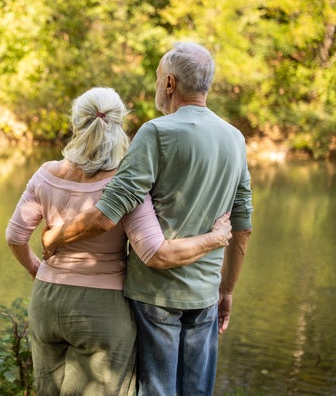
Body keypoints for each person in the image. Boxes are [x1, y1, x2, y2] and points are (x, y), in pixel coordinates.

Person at [42, 43, 253, 395]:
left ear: (169, 83)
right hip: (205, 295)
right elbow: (243, 229)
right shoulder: (235, 138)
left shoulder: (157, 133)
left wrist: (55, 237)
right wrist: (227, 290)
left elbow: (107, 215)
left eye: (157, 78)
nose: (157, 85)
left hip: (155, 296)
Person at [6, 86, 233, 395]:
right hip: (102, 311)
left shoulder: (47, 173)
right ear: (119, 127)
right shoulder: (124, 185)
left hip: (47, 302)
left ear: (75, 123)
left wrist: (36, 269)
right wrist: (215, 237)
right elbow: (156, 253)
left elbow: (16, 236)